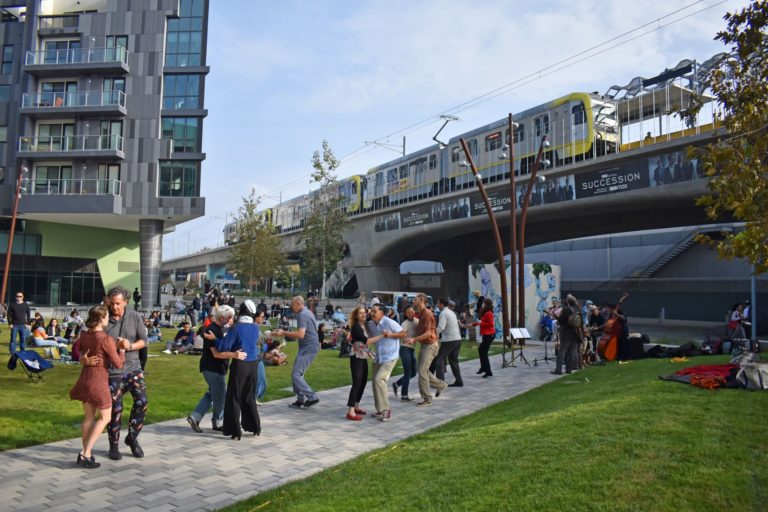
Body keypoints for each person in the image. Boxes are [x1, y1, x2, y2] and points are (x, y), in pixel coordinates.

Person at [82, 286, 149, 461]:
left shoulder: (135, 317)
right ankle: (114, 445)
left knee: (142, 402)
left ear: (126, 302)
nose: (115, 307)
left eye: (118, 304)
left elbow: (145, 341)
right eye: (112, 304)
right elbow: (87, 344)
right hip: (112, 373)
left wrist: (130, 346)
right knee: (116, 409)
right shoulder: (103, 320)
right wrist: (84, 359)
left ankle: (132, 438)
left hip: (133, 368)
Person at [69, 305, 126, 469]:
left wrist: (82, 359)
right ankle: (85, 453)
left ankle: (85, 453)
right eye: (107, 316)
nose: (109, 318)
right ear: (101, 319)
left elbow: (76, 350)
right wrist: (121, 349)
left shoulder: (85, 334)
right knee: (105, 417)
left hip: (85, 378)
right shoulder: (105, 338)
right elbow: (118, 364)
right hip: (98, 381)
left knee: (88, 417)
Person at [187, 305, 244, 433]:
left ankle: (195, 417)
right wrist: (234, 355)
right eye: (229, 317)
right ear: (222, 317)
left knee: (212, 394)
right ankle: (217, 421)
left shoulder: (222, 329)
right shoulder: (212, 330)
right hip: (212, 368)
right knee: (221, 395)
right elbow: (216, 354)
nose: (231, 320)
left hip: (217, 368)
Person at [214, 301, 261, 439]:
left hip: (240, 364)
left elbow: (223, 346)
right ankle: (255, 426)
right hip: (253, 365)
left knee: (234, 397)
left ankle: (235, 430)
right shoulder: (255, 327)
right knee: (249, 396)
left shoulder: (237, 328)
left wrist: (215, 339)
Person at [274, 296, 321, 409]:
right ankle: (300, 399)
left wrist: (283, 332)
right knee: (296, 374)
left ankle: (312, 397)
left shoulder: (302, 314)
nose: (291, 306)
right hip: (308, 347)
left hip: (308, 348)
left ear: (298, 304)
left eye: (292, 304)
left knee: (296, 375)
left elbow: (301, 334)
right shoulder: (308, 312)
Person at [406, 293, 446, 407]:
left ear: (421, 301)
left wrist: (414, 339)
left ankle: (427, 398)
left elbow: (428, 333)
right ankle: (440, 385)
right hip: (425, 345)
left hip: (430, 345)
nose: (413, 301)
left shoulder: (427, 314)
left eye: (415, 299)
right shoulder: (421, 313)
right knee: (422, 370)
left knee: (422, 371)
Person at [367, 304, 405, 422]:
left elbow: (403, 334)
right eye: (371, 311)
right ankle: (379, 410)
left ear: (382, 313)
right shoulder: (370, 324)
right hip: (379, 357)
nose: (372, 313)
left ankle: (386, 409)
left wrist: (391, 335)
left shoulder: (389, 322)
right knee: (375, 383)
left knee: (379, 379)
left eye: (375, 311)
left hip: (390, 356)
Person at [345, 306, 381, 421]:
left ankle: (356, 406)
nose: (363, 315)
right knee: (357, 382)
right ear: (356, 315)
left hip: (363, 356)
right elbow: (367, 341)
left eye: (364, 313)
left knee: (363, 382)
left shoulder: (364, 325)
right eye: (360, 313)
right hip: (356, 357)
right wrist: (382, 336)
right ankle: (350, 411)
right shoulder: (355, 327)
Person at [433, 298, 464, 387]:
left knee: (439, 360)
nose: (437, 306)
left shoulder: (443, 313)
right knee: (453, 361)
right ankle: (459, 381)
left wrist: (433, 334)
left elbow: (441, 327)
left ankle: (440, 384)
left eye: (438, 304)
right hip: (457, 339)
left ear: (442, 304)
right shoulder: (451, 312)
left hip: (449, 340)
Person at [392, 306, 419, 402]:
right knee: (408, 373)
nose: (411, 313)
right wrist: (409, 338)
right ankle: (404, 396)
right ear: (406, 314)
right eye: (409, 312)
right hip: (405, 349)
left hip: (411, 349)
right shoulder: (404, 324)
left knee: (413, 373)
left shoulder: (417, 321)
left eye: (412, 311)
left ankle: (396, 384)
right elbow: (402, 337)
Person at [553, 294, 582, 375]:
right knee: (573, 352)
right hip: (575, 334)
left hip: (566, 333)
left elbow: (560, 321)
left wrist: (556, 317)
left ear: (568, 302)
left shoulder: (566, 310)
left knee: (562, 351)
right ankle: (569, 370)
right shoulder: (578, 309)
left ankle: (558, 370)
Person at [475, 298, 495, 378]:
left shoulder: (489, 313)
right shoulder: (486, 312)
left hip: (489, 335)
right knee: (481, 350)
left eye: (483, 303)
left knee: (483, 352)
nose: (482, 304)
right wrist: (476, 324)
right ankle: (484, 368)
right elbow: (481, 321)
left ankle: (488, 371)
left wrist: (481, 323)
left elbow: (490, 324)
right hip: (486, 334)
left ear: (486, 304)